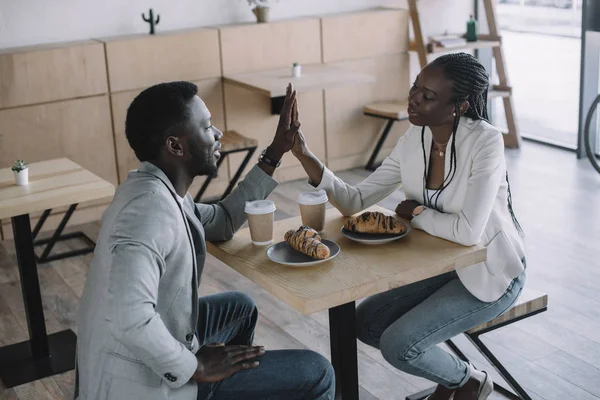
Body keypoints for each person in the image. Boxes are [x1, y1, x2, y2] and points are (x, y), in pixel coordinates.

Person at [74, 81, 335, 400]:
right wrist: (194, 367)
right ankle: (207, 387)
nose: (218, 134)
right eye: (207, 126)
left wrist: (275, 151)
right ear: (175, 146)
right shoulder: (147, 215)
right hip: (134, 385)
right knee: (317, 372)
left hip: (134, 352)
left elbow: (224, 220)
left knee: (240, 307)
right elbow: (129, 317)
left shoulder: (160, 190)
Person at [290, 52, 526, 400]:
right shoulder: (413, 139)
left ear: (458, 107)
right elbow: (355, 200)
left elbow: (468, 233)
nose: (413, 99)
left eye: (427, 96)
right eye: (416, 87)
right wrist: (304, 154)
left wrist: (416, 211)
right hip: (440, 265)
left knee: (399, 345)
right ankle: (457, 379)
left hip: (491, 271)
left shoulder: (486, 142)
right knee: (365, 324)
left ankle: (469, 380)